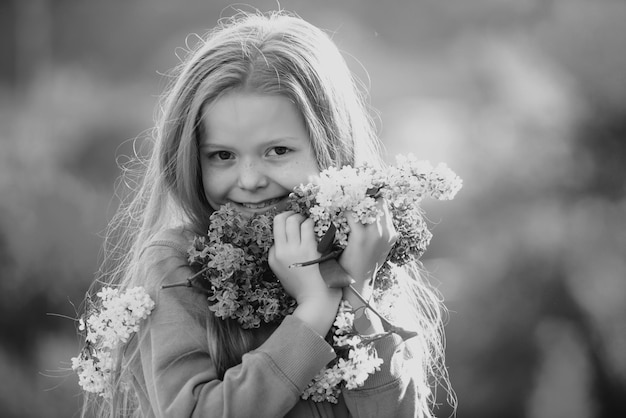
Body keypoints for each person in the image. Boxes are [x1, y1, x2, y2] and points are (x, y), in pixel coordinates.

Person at [82, 10, 451, 418]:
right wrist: (313, 310)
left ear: (332, 149)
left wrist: (357, 290)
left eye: (278, 151)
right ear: (190, 159)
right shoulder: (177, 267)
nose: (251, 179)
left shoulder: (360, 248)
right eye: (222, 155)